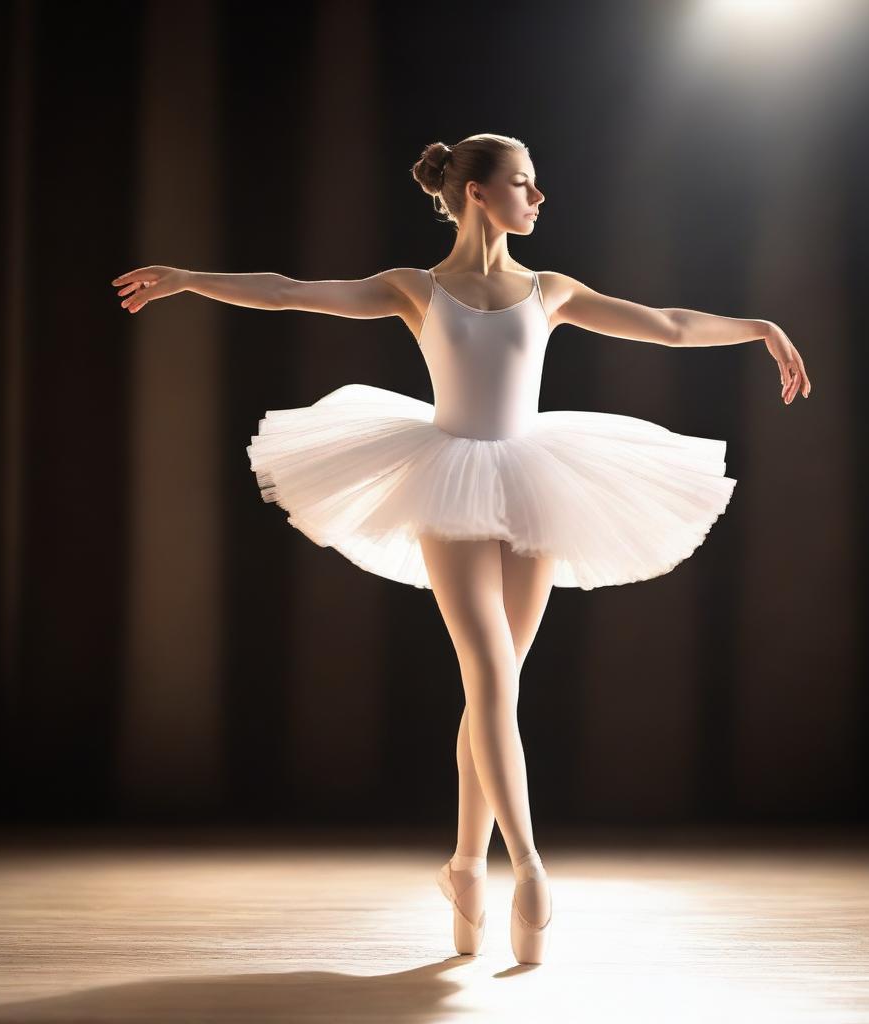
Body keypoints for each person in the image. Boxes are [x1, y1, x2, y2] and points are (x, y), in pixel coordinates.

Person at [110, 132, 812, 965]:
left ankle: (466, 869)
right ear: (476, 193)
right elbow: (297, 291)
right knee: (490, 677)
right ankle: (532, 870)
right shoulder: (417, 288)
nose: (539, 198)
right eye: (523, 183)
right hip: (445, 478)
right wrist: (193, 280)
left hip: (538, 477)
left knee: (497, 689)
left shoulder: (550, 291)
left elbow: (663, 324)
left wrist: (757, 326)